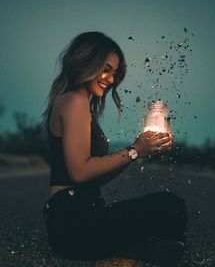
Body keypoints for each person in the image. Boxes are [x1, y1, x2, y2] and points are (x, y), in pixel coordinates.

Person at [42, 31, 187, 266]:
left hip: (74, 221)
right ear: (86, 61)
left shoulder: (74, 102)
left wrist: (137, 153)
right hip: (72, 224)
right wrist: (133, 151)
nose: (110, 79)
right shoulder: (75, 101)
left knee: (168, 209)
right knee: (170, 207)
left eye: (115, 73)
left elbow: (93, 177)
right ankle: (141, 250)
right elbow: (80, 172)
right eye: (106, 69)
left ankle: (137, 250)